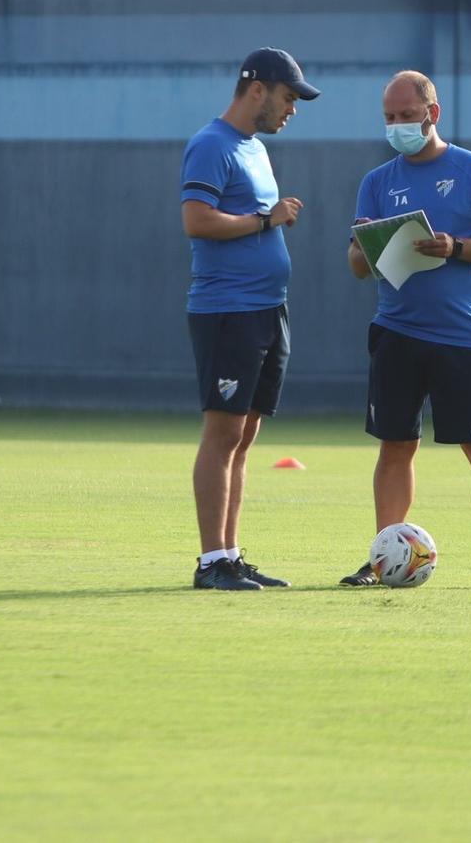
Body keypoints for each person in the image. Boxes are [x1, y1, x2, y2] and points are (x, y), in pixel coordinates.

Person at [342, 70, 471, 588]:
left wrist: (455, 247)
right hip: (396, 331)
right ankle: (383, 556)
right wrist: (369, 248)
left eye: (406, 115)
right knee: (395, 445)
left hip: (462, 337)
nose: (397, 125)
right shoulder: (377, 182)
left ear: (432, 114)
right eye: (389, 117)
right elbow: (355, 264)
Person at [180, 47, 319, 591]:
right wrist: (266, 219)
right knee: (223, 432)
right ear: (256, 88)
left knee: (246, 434)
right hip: (228, 311)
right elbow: (197, 220)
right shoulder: (211, 144)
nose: (293, 109)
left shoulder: (254, 148)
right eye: (288, 97)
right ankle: (211, 560)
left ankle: (230, 554)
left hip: (266, 309)